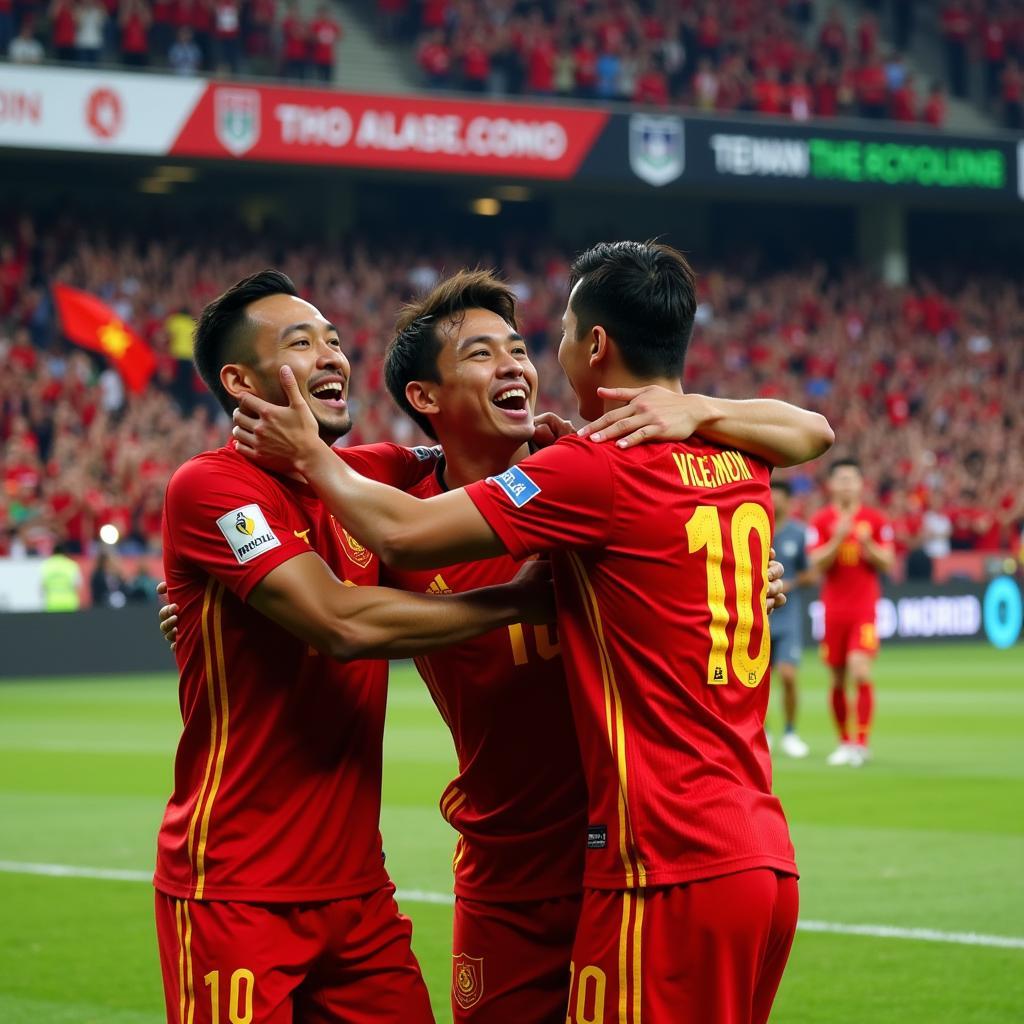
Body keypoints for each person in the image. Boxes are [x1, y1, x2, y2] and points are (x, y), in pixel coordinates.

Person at [162, 267, 809, 1024]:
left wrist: (730, 565)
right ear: (425, 401)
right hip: (500, 879)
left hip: (624, 860)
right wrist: (205, 602)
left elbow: (806, 435)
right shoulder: (388, 500)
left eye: (519, 348)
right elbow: (332, 609)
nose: (514, 365)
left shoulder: (578, 487)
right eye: (304, 343)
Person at [154, 269, 555, 1024]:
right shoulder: (209, 488)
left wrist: (567, 451)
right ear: (239, 381)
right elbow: (339, 624)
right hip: (237, 887)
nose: (332, 356)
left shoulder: (370, 474)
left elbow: (469, 455)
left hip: (359, 894)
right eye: (301, 343)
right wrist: (520, 600)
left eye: (334, 340)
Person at [808, 458, 894, 767]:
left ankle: (862, 742)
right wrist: (837, 538)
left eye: (852, 479)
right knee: (837, 678)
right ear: (831, 484)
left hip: (864, 608)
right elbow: (815, 563)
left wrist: (868, 544)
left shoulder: (875, 519)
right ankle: (844, 742)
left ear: (861, 484)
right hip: (832, 610)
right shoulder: (820, 521)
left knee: (860, 670)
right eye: (841, 479)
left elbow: (888, 562)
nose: (846, 484)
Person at [769, 480, 816, 758]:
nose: (774, 501)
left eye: (779, 497)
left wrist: (789, 583)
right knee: (756, 681)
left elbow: (811, 574)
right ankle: (761, 732)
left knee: (787, 676)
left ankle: (789, 732)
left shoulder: (799, 533)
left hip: (788, 619)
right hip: (758, 615)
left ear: (789, 501)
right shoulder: (754, 522)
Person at [40, 542, 82, 611]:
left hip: (52, 603)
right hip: (69, 603)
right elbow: (77, 586)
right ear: (65, 553)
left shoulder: (46, 565)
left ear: (53, 553)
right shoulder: (71, 565)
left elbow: (43, 586)